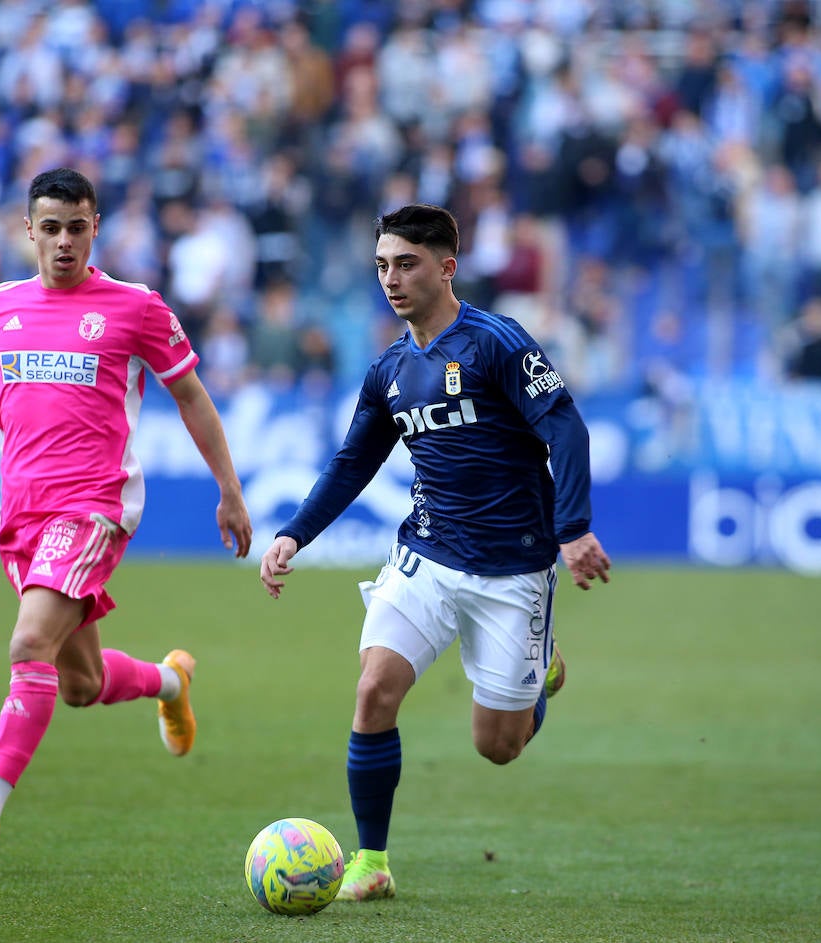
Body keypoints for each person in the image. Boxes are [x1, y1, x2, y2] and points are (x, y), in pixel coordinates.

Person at [258, 204, 610, 901]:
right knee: (373, 688)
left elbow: (565, 429)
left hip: (514, 565)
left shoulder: (496, 343)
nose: (392, 278)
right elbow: (352, 461)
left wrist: (573, 529)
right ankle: (371, 858)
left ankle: (541, 671)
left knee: (497, 746)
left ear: (447, 267)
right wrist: (295, 531)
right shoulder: (390, 367)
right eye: (383, 264)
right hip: (426, 553)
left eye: (407, 263)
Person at [0, 168, 252, 856]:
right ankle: (170, 680)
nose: (65, 241)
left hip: (93, 506)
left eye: (78, 227)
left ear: (97, 227)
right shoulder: (0, 305)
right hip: (22, 514)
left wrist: (229, 489)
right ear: (29, 230)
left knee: (29, 643)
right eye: (51, 227)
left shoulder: (136, 306)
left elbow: (193, 398)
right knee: (80, 684)